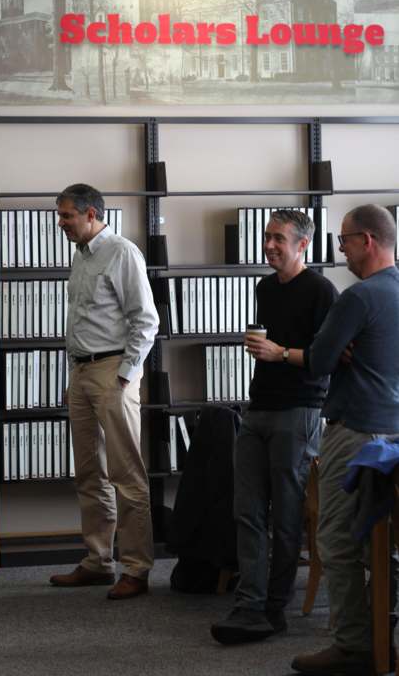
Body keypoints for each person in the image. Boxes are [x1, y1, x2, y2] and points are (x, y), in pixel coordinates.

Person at [211, 209, 338, 644]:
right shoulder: (264, 287)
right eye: (267, 237)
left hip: (298, 410)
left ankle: (272, 608)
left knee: (286, 516)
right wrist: (266, 352)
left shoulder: (322, 290)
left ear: (302, 244)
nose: (269, 246)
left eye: (278, 239)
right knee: (246, 511)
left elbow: (328, 358)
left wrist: (280, 353)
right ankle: (249, 602)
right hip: (258, 407)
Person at [289, 204, 399, 675]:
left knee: (335, 539)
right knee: (385, 542)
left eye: (345, 241)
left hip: (355, 431)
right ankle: (381, 637)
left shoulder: (358, 298)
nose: (341, 251)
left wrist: (333, 348)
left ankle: (355, 645)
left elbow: (317, 360)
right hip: (393, 430)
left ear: (368, 241)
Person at [49, 184, 159, 600]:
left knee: (126, 473)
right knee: (88, 473)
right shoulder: (81, 257)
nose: (60, 223)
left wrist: (125, 377)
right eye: (60, 216)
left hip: (113, 372)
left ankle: (137, 567)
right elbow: (82, 321)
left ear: (91, 213)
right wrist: (73, 377)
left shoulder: (122, 253)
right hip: (81, 373)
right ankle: (99, 561)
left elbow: (145, 321)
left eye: (66, 216)